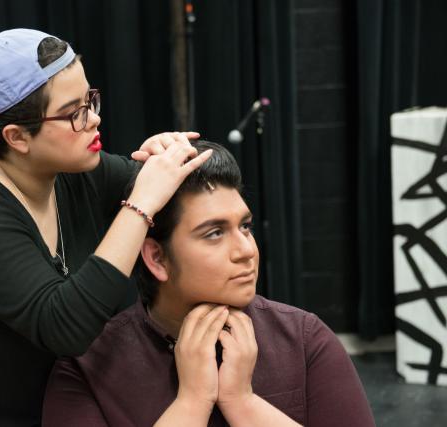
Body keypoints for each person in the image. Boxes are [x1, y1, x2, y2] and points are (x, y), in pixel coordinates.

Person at [0, 28, 212, 426]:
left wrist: (170, 157)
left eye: (91, 100)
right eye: (75, 112)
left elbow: (177, 189)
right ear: (17, 137)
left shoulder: (73, 169)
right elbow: (64, 326)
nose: (94, 119)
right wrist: (139, 206)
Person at [43, 141, 376, 427]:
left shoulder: (304, 339)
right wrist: (192, 402)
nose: (247, 251)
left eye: (245, 227)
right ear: (157, 258)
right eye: (215, 233)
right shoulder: (86, 368)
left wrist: (243, 403)